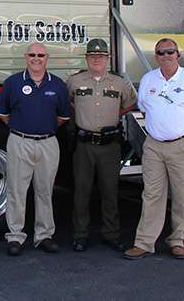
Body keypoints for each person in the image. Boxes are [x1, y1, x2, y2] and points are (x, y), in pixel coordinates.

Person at [124, 38, 184, 260]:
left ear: (178, 54)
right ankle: (144, 243)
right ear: (156, 57)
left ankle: (177, 240)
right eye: (160, 53)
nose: (165, 56)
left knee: (182, 195)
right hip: (154, 145)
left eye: (169, 52)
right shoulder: (148, 80)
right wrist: (161, 128)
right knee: (152, 194)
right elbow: (145, 109)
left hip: (183, 144)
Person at [0, 42, 69, 256]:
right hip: (20, 141)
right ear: (25, 57)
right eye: (32, 55)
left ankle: (44, 236)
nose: (36, 58)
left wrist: (42, 128)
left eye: (41, 55)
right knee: (17, 191)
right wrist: (22, 128)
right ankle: (15, 236)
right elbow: (2, 113)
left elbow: (63, 116)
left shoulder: (57, 85)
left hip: (48, 143)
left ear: (47, 58)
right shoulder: (13, 83)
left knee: (45, 191)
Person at [66, 39, 136, 252]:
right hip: (83, 145)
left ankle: (111, 234)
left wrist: (113, 119)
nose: (97, 59)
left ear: (108, 59)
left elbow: (130, 104)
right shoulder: (74, 81)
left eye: (101, 56)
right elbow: (68, 104)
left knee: (110, 191)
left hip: (109, 145)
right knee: (81, 191)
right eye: (92, 56)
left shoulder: (119, 83)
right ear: (86, 58)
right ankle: (80, 235)